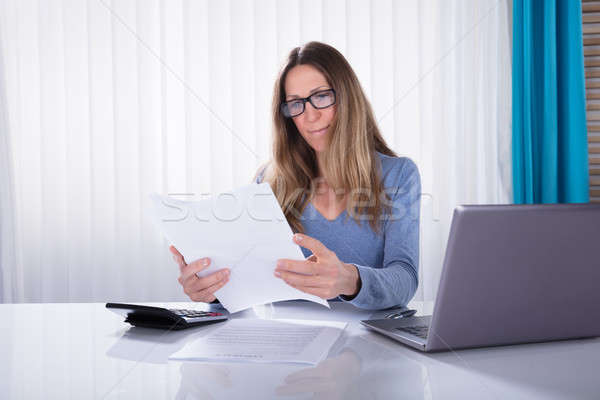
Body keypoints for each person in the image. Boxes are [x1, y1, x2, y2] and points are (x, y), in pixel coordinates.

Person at [170, 41, 421, 310]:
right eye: (295, 104)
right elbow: (247, 281)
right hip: (286, 339)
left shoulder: (398, 175)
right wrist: (214, 290)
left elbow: (404, 279)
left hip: (368, 342)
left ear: (348, 98)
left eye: (321, 96)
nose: (310, 116)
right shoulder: (268, 180)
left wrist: (350, 280)